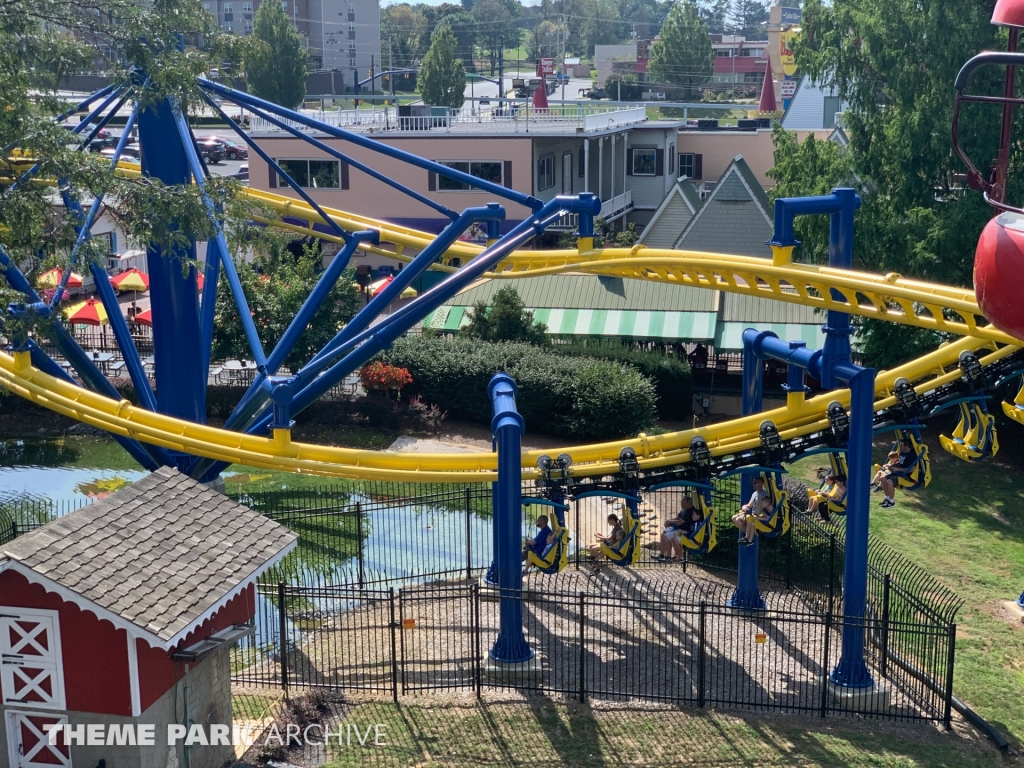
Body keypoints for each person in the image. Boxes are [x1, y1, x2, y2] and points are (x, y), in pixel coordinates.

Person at [657, 497, 704, 562]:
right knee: (665, 535)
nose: (682, 504)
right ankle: (665, 556)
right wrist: (669, 521)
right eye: (681, 503)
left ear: (689, 503)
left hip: (684, 533)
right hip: (681, 531)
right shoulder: (684, 509)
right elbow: (677, 518)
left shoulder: (691, 513)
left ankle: (677, 557)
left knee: (670, 537)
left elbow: (681, 523)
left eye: (683, 503)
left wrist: (670, 522)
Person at [878, 439, 915, 509]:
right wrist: (891, 466)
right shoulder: (903, 452)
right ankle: (887, 498)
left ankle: (891, 502)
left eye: (901, 445)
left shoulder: (912, 456)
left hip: (906, 475)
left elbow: (912, 469)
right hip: (897, 472)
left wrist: (898, 469)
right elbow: (899, 462)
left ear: (906, 446)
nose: (900, 447)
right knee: (882, 478)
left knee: (889, 481)